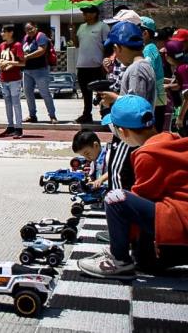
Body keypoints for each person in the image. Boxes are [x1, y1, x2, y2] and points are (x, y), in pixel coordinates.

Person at [78, 95, 188, 279]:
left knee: (116, 198)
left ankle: (119, 261)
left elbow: (137, 204)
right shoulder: (171, 138)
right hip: (180, 220)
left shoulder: (147, 154)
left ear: (123, 132)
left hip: (180, 222)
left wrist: (122, 239)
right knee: (144, 261)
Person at [95, 21, 156, 195]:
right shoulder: (145, 65)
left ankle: (119, 209)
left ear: (118, 47)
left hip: (128, 134)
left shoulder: (135, 70)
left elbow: (135, 106)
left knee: (118, 175)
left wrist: (114, 99)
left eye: (114, 50)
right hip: (136, 133)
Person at [71, 5, 110, 124]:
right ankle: (86, 114)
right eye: (84, 13)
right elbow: (77, 44)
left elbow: (107, 45)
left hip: (97, 66)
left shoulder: (103, 26)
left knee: (102, 92)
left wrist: (105, 62)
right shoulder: (81, 27)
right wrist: (72, 33)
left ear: (94, 14)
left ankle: (105, 115)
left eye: (87, 13)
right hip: (82, 65)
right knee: (85, 93)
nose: (84, 15)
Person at [21, 21, 58, 124]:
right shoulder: (25, 38)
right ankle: (32, 115)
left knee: (45, 93)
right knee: (28, 94)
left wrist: (27, 56)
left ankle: (52, 116)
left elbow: (41, 50)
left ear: (36, 27)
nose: (29, 31)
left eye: (31, 28)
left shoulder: (41, 36)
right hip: (27, 71)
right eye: (27, 29)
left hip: (40, 70)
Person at [0, 24, 25, 138]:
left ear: (10, 32)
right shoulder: (1, 46)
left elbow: (23, 63)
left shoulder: (17, 45)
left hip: (14, 79)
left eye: (3, 31)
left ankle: (19, 128)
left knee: (16, 103)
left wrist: (9, 63)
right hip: (4, 78)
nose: (2, 34)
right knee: (7, 104)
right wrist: (1, 64)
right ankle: (10, 126)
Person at [139, 17, 167, 132]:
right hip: (157, 98)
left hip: (156, 99)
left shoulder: (149, 49)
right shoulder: (152, 47)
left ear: (145, 33)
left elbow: (148, 71)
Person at [164, 40, 188, 136]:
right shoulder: (183, 65)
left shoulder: (181, 69)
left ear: (168, 56)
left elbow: (187, 96)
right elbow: (179, 84)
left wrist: (180, 117)